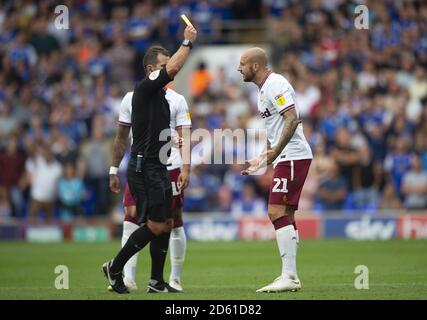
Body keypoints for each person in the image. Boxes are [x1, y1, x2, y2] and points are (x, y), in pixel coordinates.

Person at [102, 25, 197, 294]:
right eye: (162, 67)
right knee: (153, 223)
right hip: (145, 168)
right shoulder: (142, 91)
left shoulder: (166, 99)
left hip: (160, 166)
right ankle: (115, 266)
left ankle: (156, 281)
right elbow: (122, 137)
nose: (168, 71)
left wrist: (175, 142)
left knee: (166, 223)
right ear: (149, 70)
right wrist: (186, 44)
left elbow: (157, 129)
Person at [238, 47, 313, 292]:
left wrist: (277, 151)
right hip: (288, 157)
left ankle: (289, 276)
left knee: (275, 211)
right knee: (287, 215)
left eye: (242, 64)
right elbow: (276, 127)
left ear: (255, 66)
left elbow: (292, 119)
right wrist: (263, 159)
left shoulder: (275, 83)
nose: (239, 68)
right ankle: (291, 276)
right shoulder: (262, 92)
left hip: (293, 156)